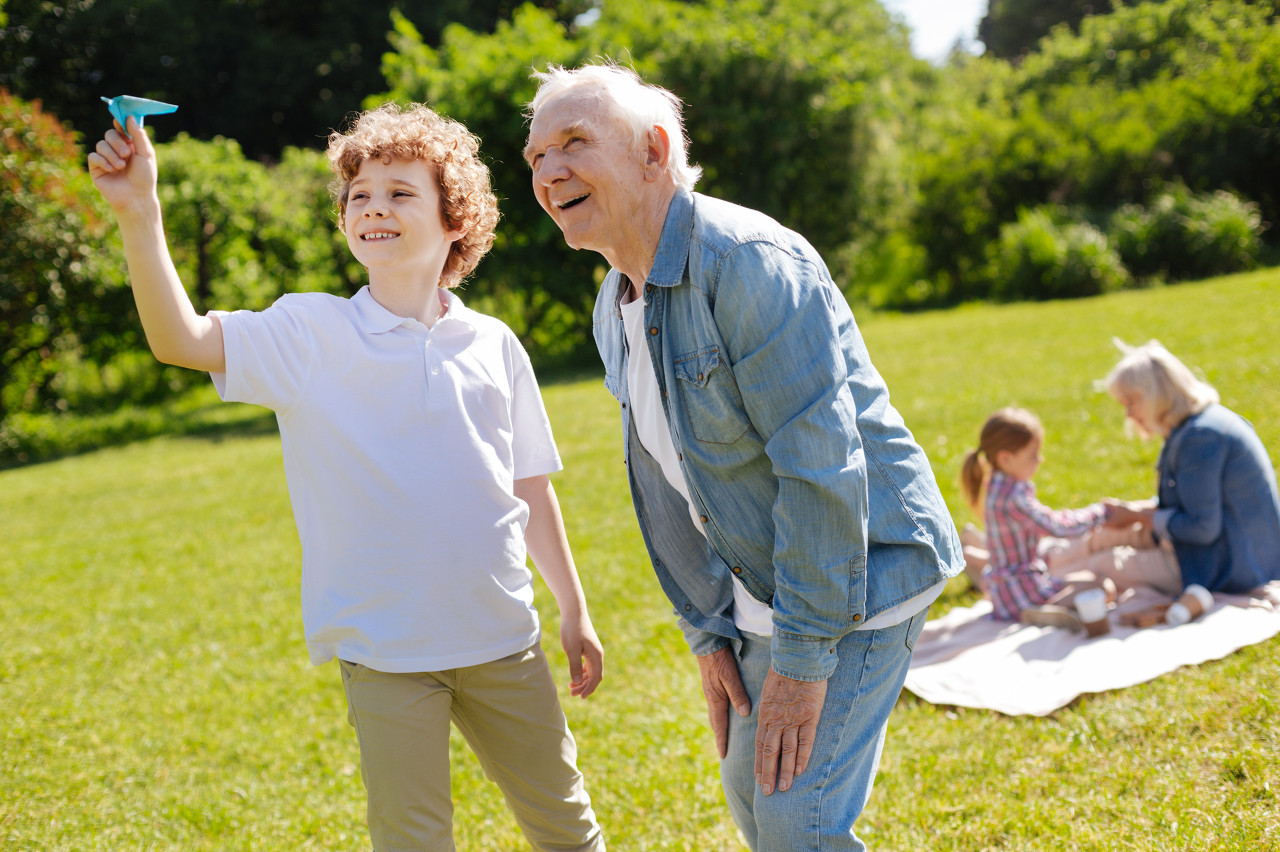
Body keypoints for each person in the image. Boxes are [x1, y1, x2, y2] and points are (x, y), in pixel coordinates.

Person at [88, 103, 605, 852]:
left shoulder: (492, 343)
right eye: (360, 195)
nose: (374, 208)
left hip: (502, 640)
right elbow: (180, 339)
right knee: (413, 838)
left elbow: (529, 484)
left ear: (454, 218)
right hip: (386, 655)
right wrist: (140, 212)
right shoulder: (309, 333)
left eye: (400, 193)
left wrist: (573, 608)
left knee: (565, 824)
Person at [523, 62, 963, 851]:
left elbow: (821, 471)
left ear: (653, 150)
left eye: (574, 144)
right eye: (535, 158)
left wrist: (800, 665)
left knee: (798, 823)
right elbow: (669, 477)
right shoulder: (613, 303)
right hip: (760, 586)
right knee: (754, 802)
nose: (549, 171)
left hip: (863, 569)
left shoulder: (748, 260)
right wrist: (709, 633)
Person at [1102, 339, 1280, 598]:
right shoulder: (1196, 426)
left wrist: (1140, 516)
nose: (1129, 414)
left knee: (1101, 565)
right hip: (1237, 550)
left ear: (1156, 394)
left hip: (1234, 566)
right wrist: (1136, 512)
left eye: (1131, 402)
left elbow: (1202, 528)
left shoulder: (1200, 438)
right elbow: (1194, 503)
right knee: (1100, 537)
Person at [958, 407, 1116, 625]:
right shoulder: (1014, 497)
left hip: (1004, 593)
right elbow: (1058, 527)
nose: (1039, 460)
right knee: (1099, 585)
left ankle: (1045, 609)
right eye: (1033, 455)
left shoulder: (996, 485)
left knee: (1082, 580)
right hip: (1023, 593)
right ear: (1006, 459)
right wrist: (1101, 512)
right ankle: (1048, 611)